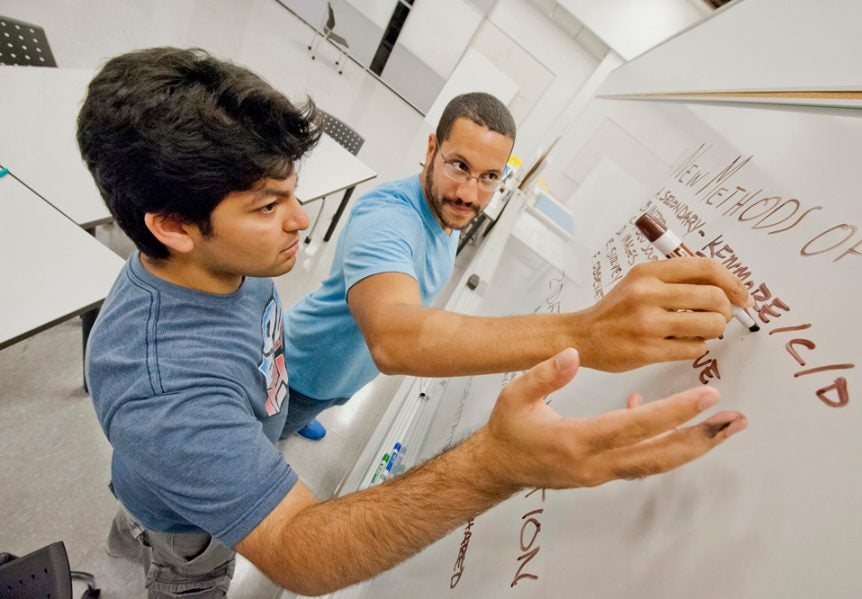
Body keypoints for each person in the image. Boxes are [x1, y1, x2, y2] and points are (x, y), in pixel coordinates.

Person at [79, 47, 747, 598]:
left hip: (240, 420)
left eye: (291, 190)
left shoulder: (228, 261)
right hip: (189, 528)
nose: (303, 220)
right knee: (189, 569)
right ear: (171, 225)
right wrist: (498, 461)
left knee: (221, 460)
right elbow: (298, 549)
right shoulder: (166, 384)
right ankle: (143, 526)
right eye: (266, 205)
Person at [282, 92, 753, 440]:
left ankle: (313, 411)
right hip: (296, 372)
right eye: (458, 166)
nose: (470, 193)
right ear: (430, 149)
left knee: (326, 398)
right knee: (265, 443)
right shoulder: (387, 217)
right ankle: (292, 420)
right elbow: (393, 337)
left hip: (341, 377)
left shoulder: (447, 215)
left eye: (490, 177)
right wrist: (585, 335)